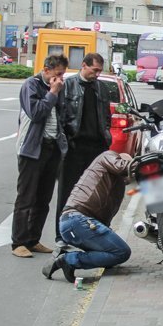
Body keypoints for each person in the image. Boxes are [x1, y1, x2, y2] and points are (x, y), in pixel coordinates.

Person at [43, 150, 133, 282]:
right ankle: (68, 260)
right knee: (121, 252)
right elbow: (122, 166)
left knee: (111, 255)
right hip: (78, 221)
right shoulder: (108, 156)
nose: (130, 175)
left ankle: (66, 257)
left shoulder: (115, 184)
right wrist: (140, 164)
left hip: (76, 222)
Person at [12, 54, 69, 258]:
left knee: (43, 198)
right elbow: (37, 113)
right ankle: (18, 242)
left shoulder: (58, 88)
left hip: (52, 147)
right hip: (32, 148)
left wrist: (56, 92)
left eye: (62, 75)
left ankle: (33, 239)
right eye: (57, 74)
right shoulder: (31, 85)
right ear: (46, 70)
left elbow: (61, 114)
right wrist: (53, 92)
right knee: (26, 197)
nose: (60, 79)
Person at [55, 53, 112, 244]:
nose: (97, 74)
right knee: (67, 193)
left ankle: (91, 234)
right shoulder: (68, 85)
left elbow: (106, 116)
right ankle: (61, 235)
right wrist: (66, 140)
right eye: (94, 70)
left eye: (99, 71)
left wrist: (106, 138)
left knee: (95, 194)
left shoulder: (101, 88)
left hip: (96, 147)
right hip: (74, 147)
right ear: (84, 66)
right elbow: (60, 116)